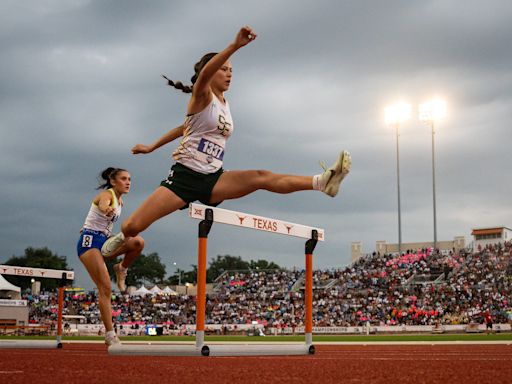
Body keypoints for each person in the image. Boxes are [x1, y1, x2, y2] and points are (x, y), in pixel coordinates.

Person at [101, 26, 351, 257]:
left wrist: (152, 146)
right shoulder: (201, 96)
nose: (229, 73)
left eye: (232, 70)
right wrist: (235, 46)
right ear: (210, 73)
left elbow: (183, 128)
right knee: (132, 226)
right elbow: (205, 77)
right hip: (184, 179)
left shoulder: (224, 105)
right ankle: (124, 236)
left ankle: (322, 182)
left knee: (261, 176)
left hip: (213, 178)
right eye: (224, 69)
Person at [77, 167, 144, 346]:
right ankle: (109, 334)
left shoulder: (121, 203)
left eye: (130, 179)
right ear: (113, 181)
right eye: (124, 179)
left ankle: (121, 268)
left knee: (138, 243)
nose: (128, 182)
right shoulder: (108, 194)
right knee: (105, 287)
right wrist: (107, 210)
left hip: (105, 242)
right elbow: (102, 205)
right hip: (89, 243)